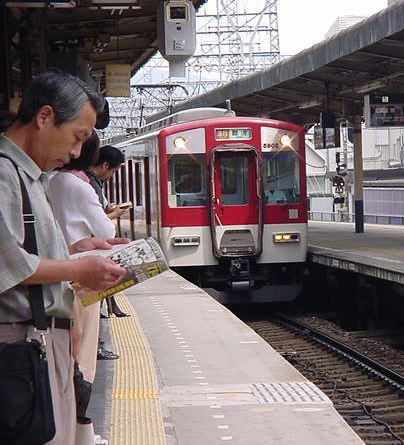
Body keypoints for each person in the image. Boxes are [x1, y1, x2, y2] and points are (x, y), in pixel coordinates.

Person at [0, 70, 127, 445]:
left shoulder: (29, 176)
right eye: (77, 137)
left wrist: (76, 250)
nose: (76, 152)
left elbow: (22, 251)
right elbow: (7, 264)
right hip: (19, 348)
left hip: (36, 342)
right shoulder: (4, 175)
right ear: (44, 117)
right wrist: (77, 268)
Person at [48, 131, 117, 443]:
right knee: (83, 358)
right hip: (80, 277)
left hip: (53, 275)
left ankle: (72, 431)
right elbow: (106, 229)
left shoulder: (46, 181)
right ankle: (83, 434)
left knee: (63, 360)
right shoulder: (78, 186)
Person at [87, 145, 130, 317]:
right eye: (113, 171)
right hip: (92, 242)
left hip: (90, 241)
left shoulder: (91, 182)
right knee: (106, 272)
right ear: (105, 165)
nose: (112, 177)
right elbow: (101, 224)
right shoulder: (90, 183)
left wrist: (109, 209)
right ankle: (106, 307)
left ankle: (109, 306)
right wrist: (115, 213)